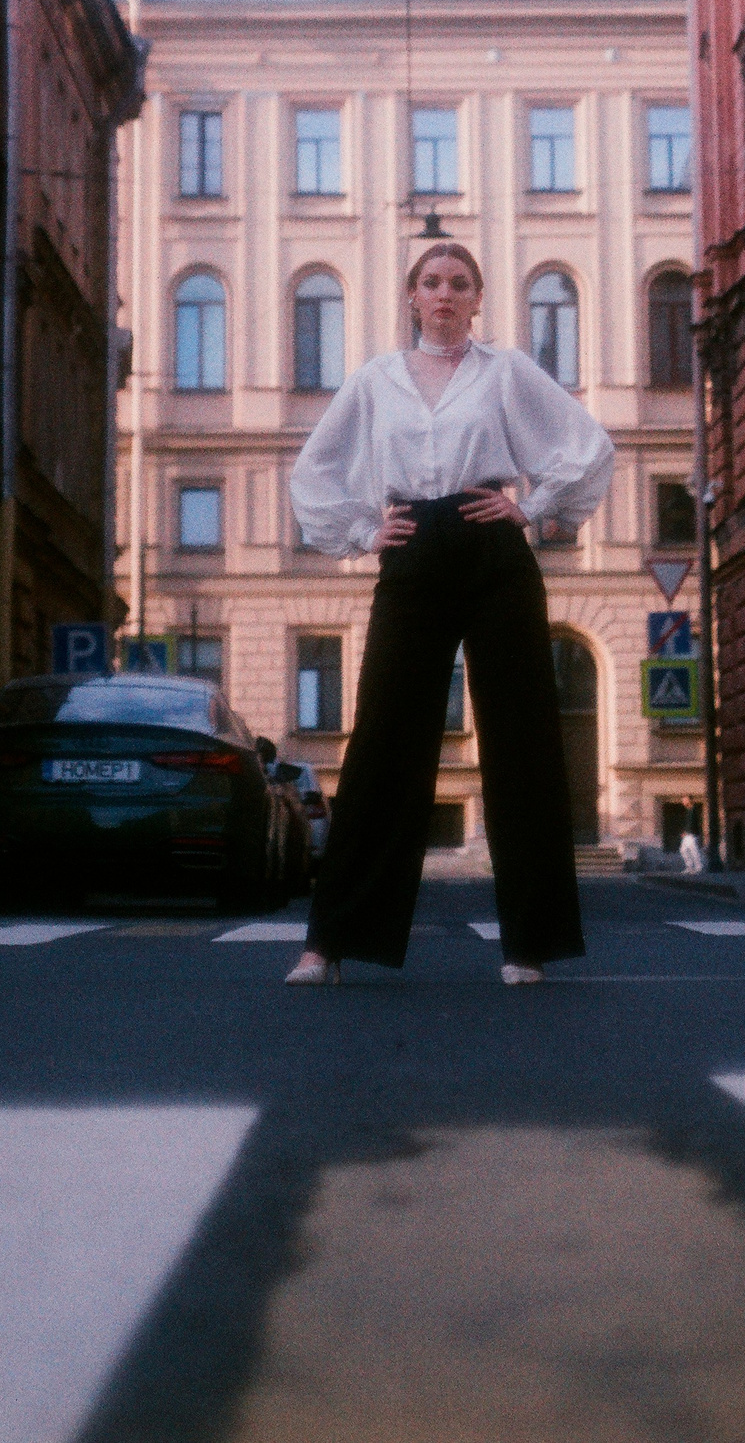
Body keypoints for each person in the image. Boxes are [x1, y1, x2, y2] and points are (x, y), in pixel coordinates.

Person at [283, 240, 614, 986]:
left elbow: (585, 444)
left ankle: (528, 947)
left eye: (459, 284)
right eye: (431, 282)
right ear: (411, 296)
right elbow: (316, 468)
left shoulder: (506, 373)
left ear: (476, 299)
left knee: (522, 738)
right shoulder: (375, 381)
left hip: (493, 548)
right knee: (382, 742)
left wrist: (530, 507)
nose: (444, 295)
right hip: (411, 551)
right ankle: (326, 944)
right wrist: (366, 532)